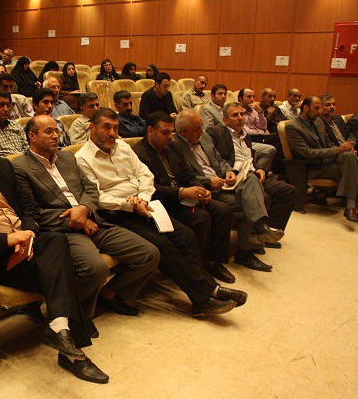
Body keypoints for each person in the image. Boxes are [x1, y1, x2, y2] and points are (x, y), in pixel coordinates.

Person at [0, 119, 109, 384]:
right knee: (61, 270)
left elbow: (29, 208)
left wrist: (28, 233)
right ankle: (72, 348)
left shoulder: (3, 167)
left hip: (29, 242)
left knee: (55, 240)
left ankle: (59, 330)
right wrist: (7, 240)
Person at [75, 107, 247, 316]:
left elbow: (145, 175)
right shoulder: (82, 158)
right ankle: (206, 294)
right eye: (106, 127)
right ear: (92, 128)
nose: (112, 133)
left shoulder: (122, 147)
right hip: (117, 213)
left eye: (116, 128)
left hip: (144, 203)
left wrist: (143, 198)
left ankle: (202, 291)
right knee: (163, 244)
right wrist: (130, 204)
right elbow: (96, 196)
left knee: (186, 236)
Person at [14, 115, 160, 331]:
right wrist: (77, 220)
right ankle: (79, 316)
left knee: (149, 254)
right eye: (49, 131)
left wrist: (84, 209)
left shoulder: (67, 157)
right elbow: (32, 212)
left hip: (92, 218)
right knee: (95, 268)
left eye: (57, 131)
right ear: (32, 136)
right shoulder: (20, 167)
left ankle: (110, 294)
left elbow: (91, 188)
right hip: (64, 230)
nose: (56, 136)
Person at [132, 111, 236, 283]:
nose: (170, 136)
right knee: (201, 218)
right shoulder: (139, 154)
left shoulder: (174, 147)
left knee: (223, 210)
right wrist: (182, 192)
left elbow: (189, 176)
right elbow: (150, 189)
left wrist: (201, 189)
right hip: (162, 203)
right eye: (165, 132)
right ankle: (198, 269)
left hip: (184, 197)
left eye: (172, 132)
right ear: (150, 130)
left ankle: (213, 262)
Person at [174, 109, 280, 272]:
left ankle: (257, 228)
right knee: (251, 202)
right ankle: (246, 250)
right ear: (183, 131)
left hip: (224, 181)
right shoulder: (174, 146)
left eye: (201, 127)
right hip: (207, 189)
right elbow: (184, 177)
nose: (202, 131)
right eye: (197, 128)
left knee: (252, 179)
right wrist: (209, 181)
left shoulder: (204, 137)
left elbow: (220, 160)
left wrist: (229, 171)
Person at [206, 103, 297, 237]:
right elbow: (215, 158)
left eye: (242, 114)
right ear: (225, 120)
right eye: (235, 115)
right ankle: (259, 227)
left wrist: (260, 169)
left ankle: (269, 233)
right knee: (263, 195)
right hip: (236, 178)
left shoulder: (246, 136)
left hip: (253, 175)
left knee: (289, 191)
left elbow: (249, 160)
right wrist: (230, 172)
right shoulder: (216, 133)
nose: (240, 118)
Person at [285, 96, 358, 222]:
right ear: (306, 108)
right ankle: (351, 206)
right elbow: (307, 153)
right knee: (354, 169)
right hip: (313, 166)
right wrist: (338, 151)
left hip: (328, 161)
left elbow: (328, 144)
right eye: (316, 108)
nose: (319, 112)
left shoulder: (318, 122)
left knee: (350, 156)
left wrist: (344, 149)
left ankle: (350, 207)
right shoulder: (293, 127)